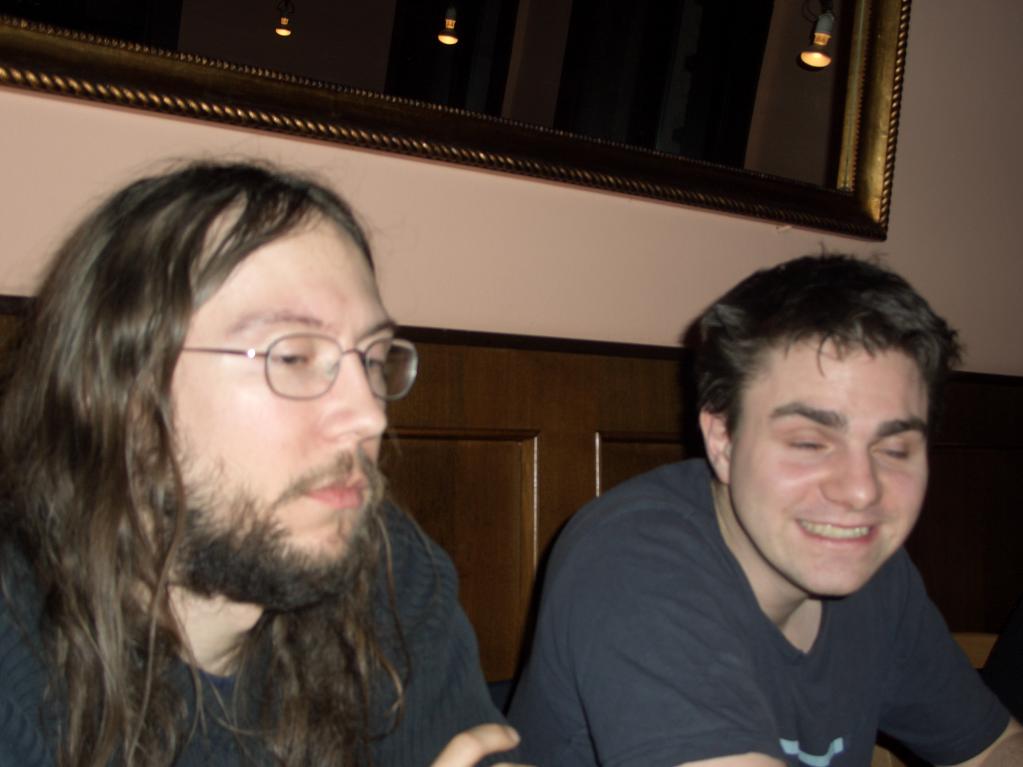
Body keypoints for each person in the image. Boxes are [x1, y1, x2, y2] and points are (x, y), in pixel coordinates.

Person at [0, 161, 523, 767]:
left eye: (374, 360)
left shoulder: (390, 571)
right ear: (127, 402)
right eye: (294, 357)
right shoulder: (17, 654)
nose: (370, 417)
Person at [508, 255, 1022, 766]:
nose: (862, 492)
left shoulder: (872, 572)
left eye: (894, 449)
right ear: (723, 440)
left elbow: (992, 749)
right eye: (809, 443)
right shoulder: (631, 559)